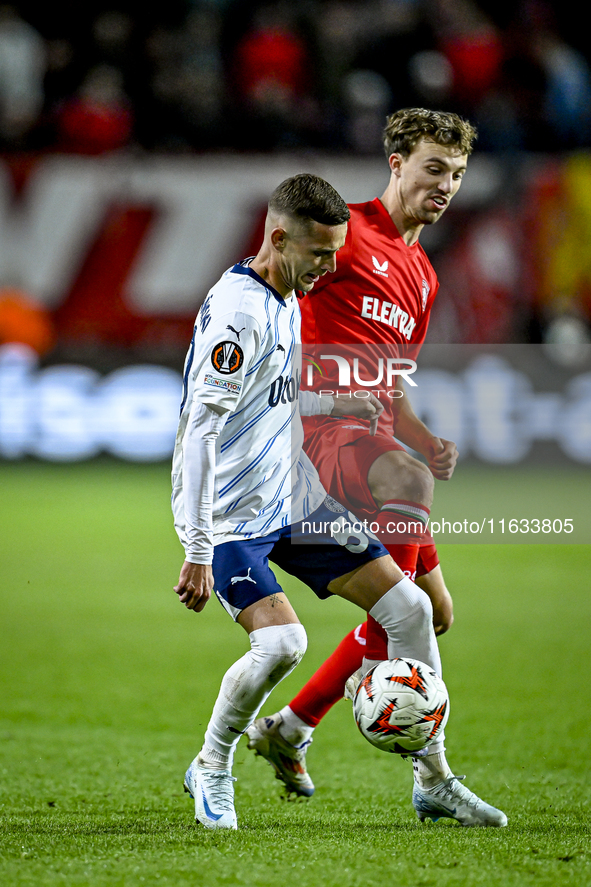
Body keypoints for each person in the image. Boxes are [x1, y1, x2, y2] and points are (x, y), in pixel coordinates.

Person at [172, 172, 493, 831]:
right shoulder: (240, 311)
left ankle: (432, 780)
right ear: (278, 236)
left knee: (408, 608)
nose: (329, 266)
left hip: (291, 499)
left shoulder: (286, 288)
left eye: (335, 253)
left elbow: (271, 395)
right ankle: (212, 763)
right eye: (320, 254)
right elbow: (200, 430)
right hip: (235, 517)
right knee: (282, 644)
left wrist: (323, 401)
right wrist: (197, 547)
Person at [247, 109, 507, 827]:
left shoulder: (421, 273)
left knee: (431, 613)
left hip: (375, 442)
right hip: (316, 435)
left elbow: (391, 381)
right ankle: (432, 778)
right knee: (406, 550)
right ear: (395, 162)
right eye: (432, 168)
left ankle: (291, 727)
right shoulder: (343, 232)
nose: (445, 184)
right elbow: (265, 302)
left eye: (455, 174)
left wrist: (421, 435)